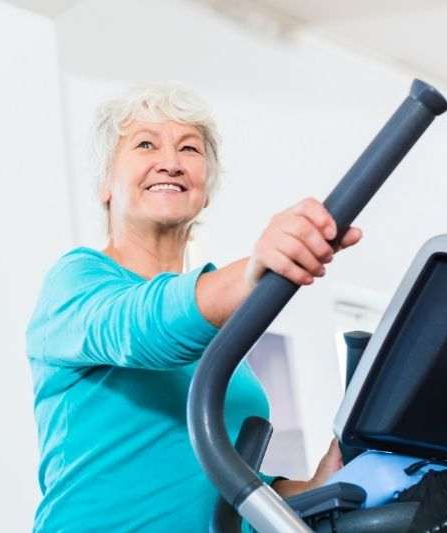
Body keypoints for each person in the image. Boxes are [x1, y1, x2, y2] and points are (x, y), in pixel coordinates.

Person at [26, 84, 362, 532]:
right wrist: (253, 274)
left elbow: (232, 498)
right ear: (106, 184)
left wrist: (319, 484)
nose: (171, 161)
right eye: (146, 144)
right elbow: (142, 329)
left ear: (205, 193)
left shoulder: (220, 335)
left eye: (189, 148)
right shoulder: (77, 283)